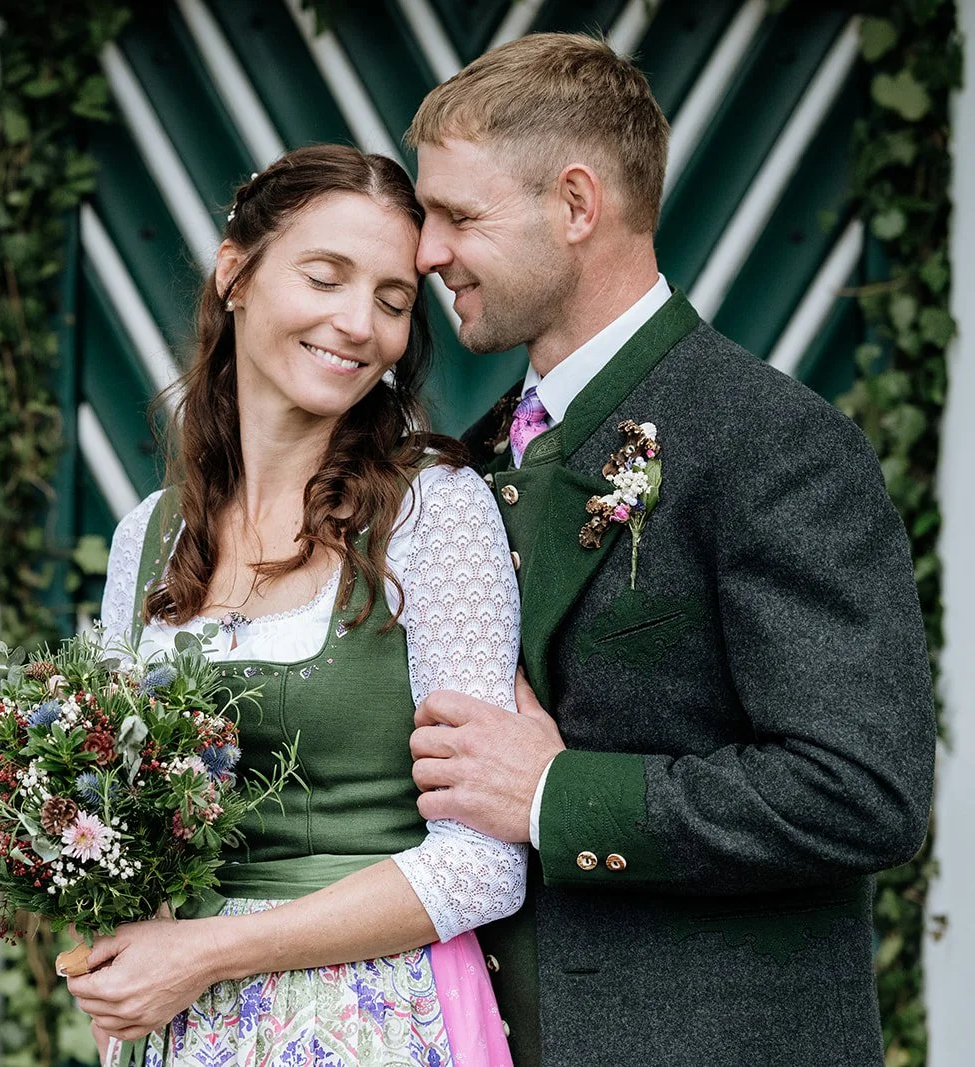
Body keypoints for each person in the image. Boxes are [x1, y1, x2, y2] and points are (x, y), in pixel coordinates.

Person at [404, 33, 936, 1066]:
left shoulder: (774, 441)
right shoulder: (476, 461)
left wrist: (556, 795)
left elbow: (862, 789)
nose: (427, 252)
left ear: (575, 203)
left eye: (459, 216)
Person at [68, 143, 525, 1067]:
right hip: (182, 1028)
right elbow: (114, 814)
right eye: (325, 278)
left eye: (393, 301)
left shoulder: (433, 513)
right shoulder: (147, 535)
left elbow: (484, 863)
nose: (358, 323)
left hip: (374, 1022)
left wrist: (209, 950)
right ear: (235, 273)